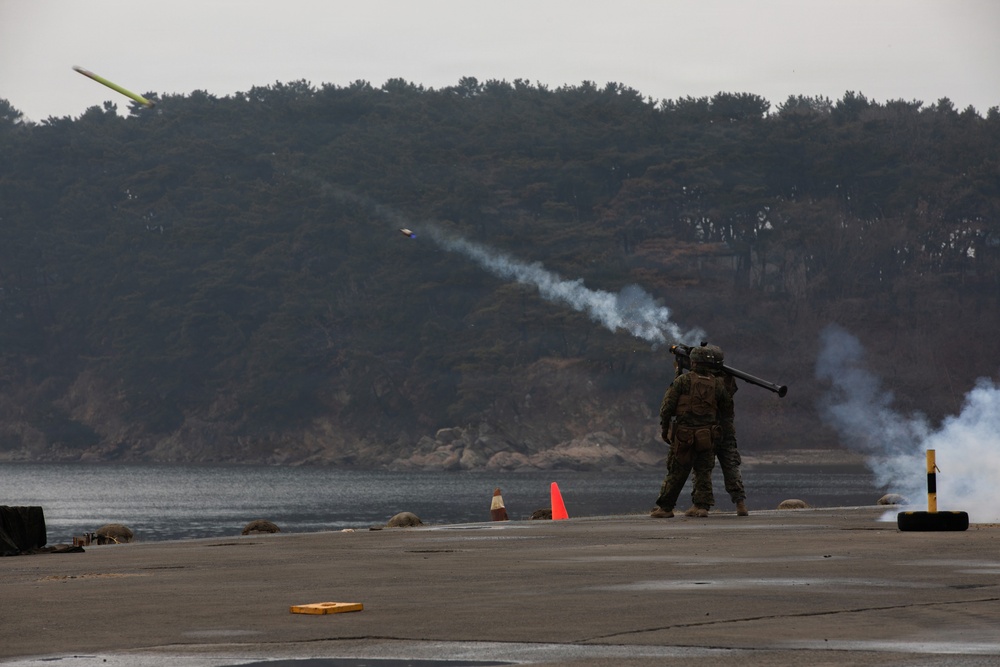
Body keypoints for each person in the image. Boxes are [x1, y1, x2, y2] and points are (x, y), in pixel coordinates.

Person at [650, 346, 734, 518]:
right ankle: (701, 506)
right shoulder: (717, 383)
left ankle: (666, 508)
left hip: (684, 435)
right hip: (707, 435)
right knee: (704, 471)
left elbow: (667, 407)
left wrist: (665, 428)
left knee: (676, 471)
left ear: (693, 362)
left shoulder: (683, 380)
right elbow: (727, 410)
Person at [705, 344, 749, 516]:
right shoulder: (728, 378)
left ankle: (702, 505)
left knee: (703, 467)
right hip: (726, 429)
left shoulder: (705, 381)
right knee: (731, 466)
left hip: (708, 429)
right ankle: (740, 503)